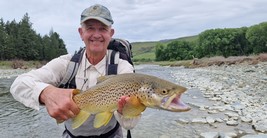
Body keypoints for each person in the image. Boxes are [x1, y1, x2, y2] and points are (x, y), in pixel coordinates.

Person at [10, 4, 140, 138]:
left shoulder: (122, 67)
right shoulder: (66, 64)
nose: (96, 35)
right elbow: (18, 84)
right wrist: (46, 93)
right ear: (81, 33)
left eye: (102, 29)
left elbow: (129, 125)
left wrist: (127, 110)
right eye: (90, 28)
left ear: (110, 34)